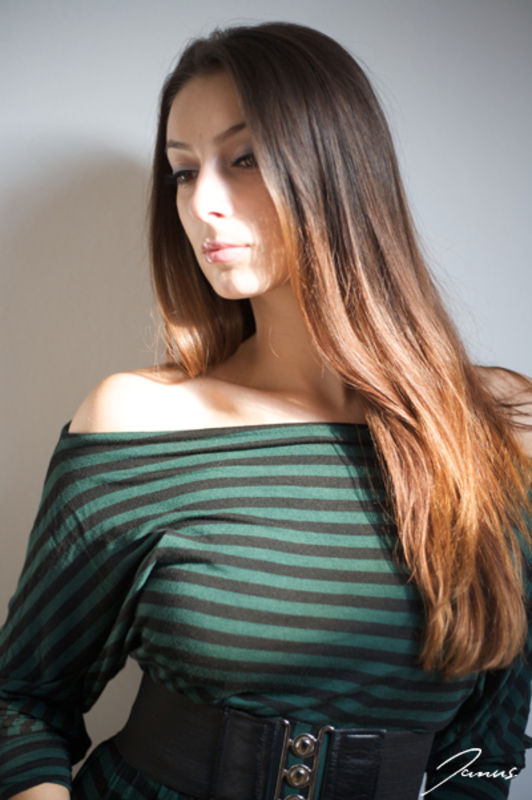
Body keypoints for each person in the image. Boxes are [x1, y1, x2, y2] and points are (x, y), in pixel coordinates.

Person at [0, 20, 531, 800]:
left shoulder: (502, 428)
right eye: (183, 172)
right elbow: (21, 700)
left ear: (336, 169)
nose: (201, 203)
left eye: (243, 158)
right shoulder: (138, 422)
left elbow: (489, 747)